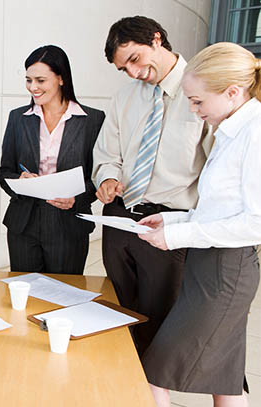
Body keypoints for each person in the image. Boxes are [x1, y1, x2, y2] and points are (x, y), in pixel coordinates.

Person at [138, 42, 261, 407]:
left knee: (152, 371)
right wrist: (174, 218)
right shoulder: (231, 130)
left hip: (226, 273)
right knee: (224, 376)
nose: (193, 110)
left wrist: (178, 234)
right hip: (211, 267)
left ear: (232, 92)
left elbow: (255, 222)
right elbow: (220, 210)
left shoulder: (255, 135)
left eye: (197, 101)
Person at [91, 16, 212, 357]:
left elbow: (216, 165)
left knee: (162, 315)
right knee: (120, 308)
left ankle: (152, 387)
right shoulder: (125, 97)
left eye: (134, 59)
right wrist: (108, 178)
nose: (132, 72)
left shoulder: (203, 91)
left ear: (156, 39)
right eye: (123, 68)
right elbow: (107, 151)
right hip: (119, 218)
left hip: (169, 223)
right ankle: (122, 377)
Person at [0, 45, 105, 274]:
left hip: (68, 224)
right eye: (28, 80)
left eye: (40, 80)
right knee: (25, 295)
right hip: (23, 224)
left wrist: (76, 198)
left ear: (61, 78)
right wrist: (20, 179)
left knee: (64, 295)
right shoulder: (18, 118)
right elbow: (4, 171)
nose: (32, 87)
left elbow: (99, 175)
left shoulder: (91, 120)